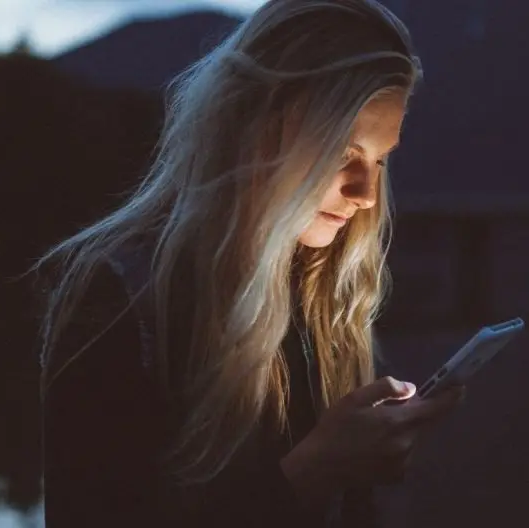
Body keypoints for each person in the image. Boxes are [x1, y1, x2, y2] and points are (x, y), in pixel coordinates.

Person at [33, 0, 466, 526]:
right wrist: (315, 470)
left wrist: (358, 466)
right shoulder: (121, 298)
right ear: (255, 124)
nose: (367, 194)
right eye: (343, 152)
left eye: (379, 159)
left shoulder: (316, 294)